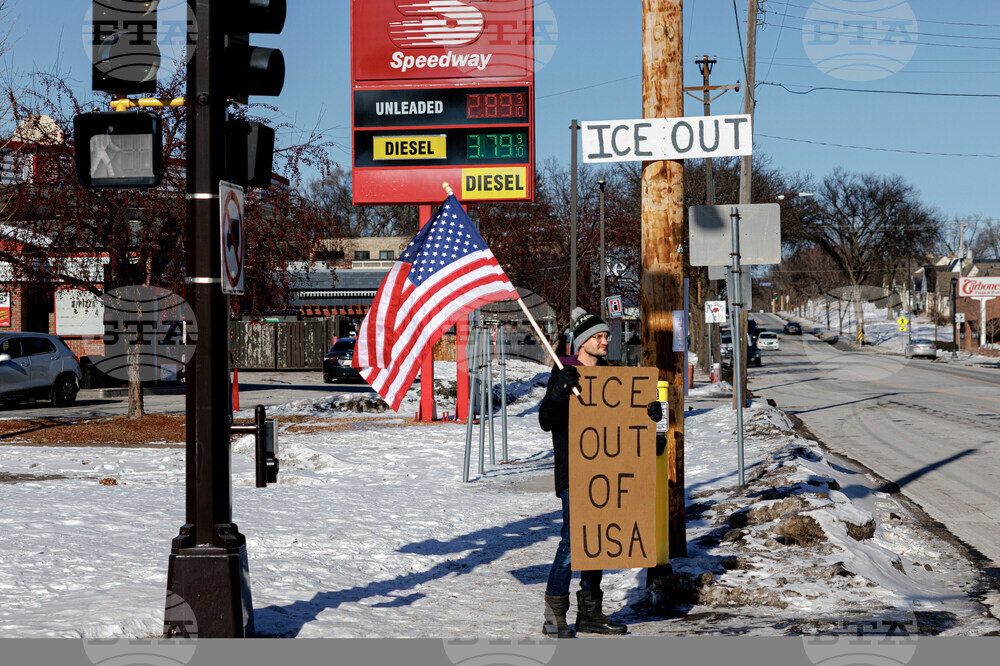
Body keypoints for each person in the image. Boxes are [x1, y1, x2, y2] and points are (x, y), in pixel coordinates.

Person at [538, 308, 663, 638]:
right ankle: (554, 616)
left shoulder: (613, 376)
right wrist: (559, 392)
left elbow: (625, 425)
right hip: (575, 471)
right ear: (582, 342)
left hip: (607, 471)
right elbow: (546, 420)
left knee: (597, 540)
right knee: (572, 542)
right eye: (598, 336)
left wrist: (649, 417)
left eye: (606, 335)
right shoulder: (563, 372)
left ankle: (590, 613)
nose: (606, 340)